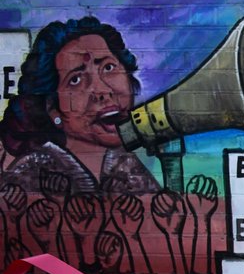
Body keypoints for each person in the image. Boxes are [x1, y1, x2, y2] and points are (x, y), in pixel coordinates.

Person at [0, 16, 158, 195]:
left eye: (108, 68)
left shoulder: (128, 168)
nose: (102, 91)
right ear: (52, 110)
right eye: (75, 80)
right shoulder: (30, 179)